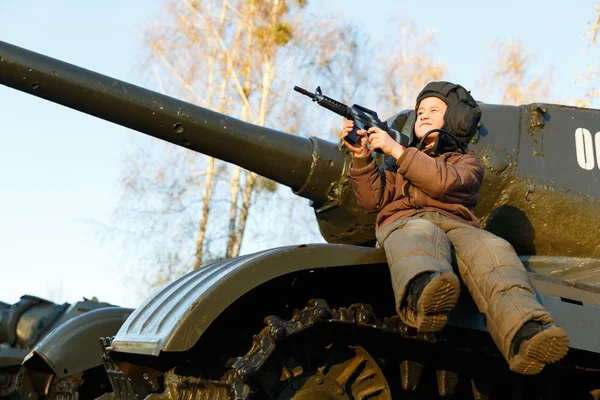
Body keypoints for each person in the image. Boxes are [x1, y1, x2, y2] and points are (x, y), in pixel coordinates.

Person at [341, 81, 569, 375]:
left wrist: (399, 151)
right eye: (420, 110)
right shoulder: (395, 164)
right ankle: (424, 292)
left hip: (458, 226)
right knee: (419, 235)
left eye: (434, 110)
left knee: (493, 249)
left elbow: (442, 181)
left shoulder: (467, 162)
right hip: (408, 223)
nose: (422, 115)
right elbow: (373, 200)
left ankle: (525, 332)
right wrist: (362, 158)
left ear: (453, 120)